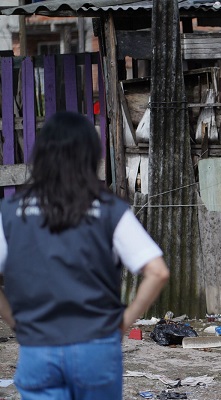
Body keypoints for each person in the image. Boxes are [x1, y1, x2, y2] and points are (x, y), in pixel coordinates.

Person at [0, 111, 170, 399]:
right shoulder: (110, 210)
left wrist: (16, 322)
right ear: (91, 156)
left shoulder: (10, 214)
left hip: (38, 348)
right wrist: (124, 322)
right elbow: (158, 272)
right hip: (96, 349)